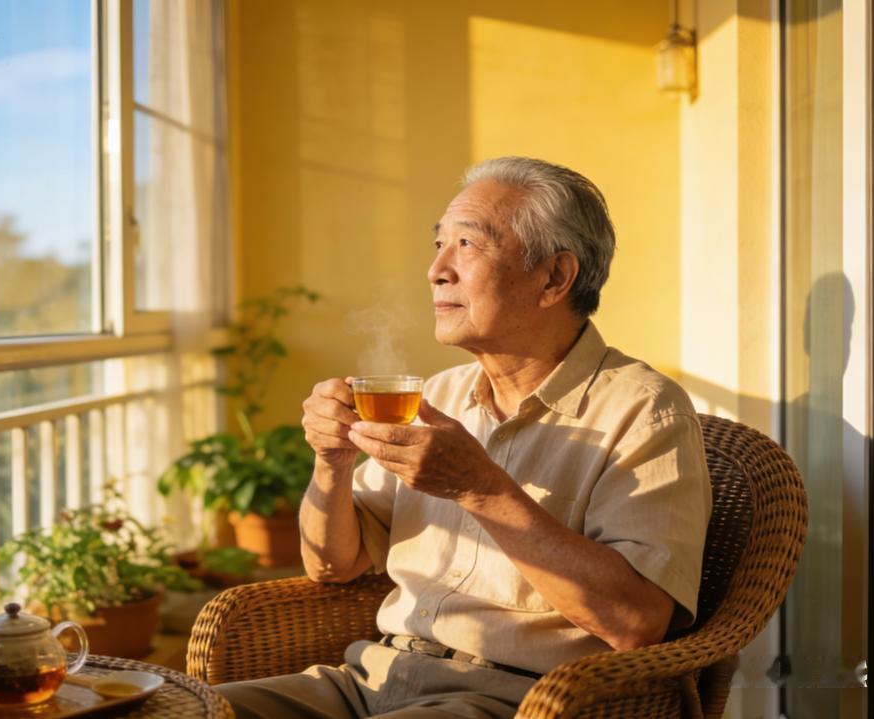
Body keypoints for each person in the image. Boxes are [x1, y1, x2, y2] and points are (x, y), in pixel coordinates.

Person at [217, 156, 712, 719]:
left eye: (468, 245)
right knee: (170, 710)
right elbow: (331, 566)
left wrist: (480, 489)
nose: (437, 270)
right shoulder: (441, 396)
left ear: (554, 277)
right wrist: (330, 463)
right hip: (369, 680)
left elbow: (635, 622)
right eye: (439, 244)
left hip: (518, 699)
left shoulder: (645, 410)